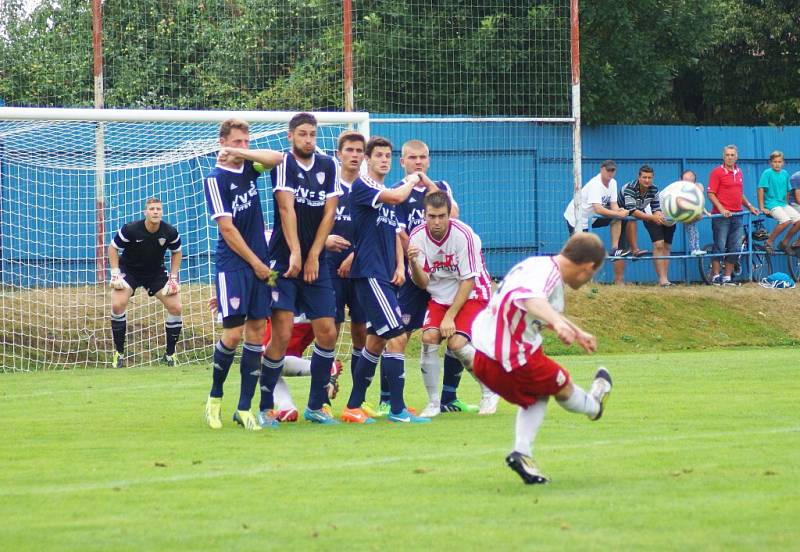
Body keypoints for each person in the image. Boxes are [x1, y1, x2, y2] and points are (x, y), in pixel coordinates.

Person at [449, 232, 613, 485]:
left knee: (538, 394)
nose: (590, 279)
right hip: (513, 357)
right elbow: (529, 299)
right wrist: (558, 323)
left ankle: (522, 454)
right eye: (593, 274)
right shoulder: (545, 273)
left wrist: (576, 332)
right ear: (588, 267)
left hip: (485, 358)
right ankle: (595, 406)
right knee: (563, 386)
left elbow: (534, 309)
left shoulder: (537, 267)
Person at [373, 139, 479, 416]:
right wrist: (406, 264)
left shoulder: (440, 187)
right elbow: (398, 233)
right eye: (412, 158)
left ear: (428, 161)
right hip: (414, 273)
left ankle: (448, 398)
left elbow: (454, 215)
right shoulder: (396, 192)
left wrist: (428, 183)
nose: (417, 162)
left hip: (444, 277)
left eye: (422, 158)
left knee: (451, 331)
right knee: (399, 334)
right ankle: (386, 399)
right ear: (402, 162)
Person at [340, 136, 438, 424]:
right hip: (369, 274)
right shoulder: (365, 186)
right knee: (397, 338)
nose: (383, 159)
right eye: (379, 155)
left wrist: (400, 265)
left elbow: (395, 233)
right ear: (369, 160)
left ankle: (353, 406)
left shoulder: (382, 190)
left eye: (387, 155)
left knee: (376, 342)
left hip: (384, 275)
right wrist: (413, 180)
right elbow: (398, 198)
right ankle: (396, 408)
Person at [258, 112, 342, 426]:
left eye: (312, 134)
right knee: (280, 334)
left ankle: (316, 406)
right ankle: (267, 407)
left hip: (314, 262)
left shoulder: (328, 165)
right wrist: (295, 252)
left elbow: (330, 212)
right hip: (283, 261)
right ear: (290, 136)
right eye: (303, 134)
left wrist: (313, 255)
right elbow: (285, 207)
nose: (308, 140)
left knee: (328, 332)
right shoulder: (283, 164)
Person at [202, 118, 283, 431]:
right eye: (237, 142)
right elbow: (227, 228)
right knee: (233, 334)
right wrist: (256, 263)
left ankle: (244, 408)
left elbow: (278, 158)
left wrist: (245, 155)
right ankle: (214, 399)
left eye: (247, 142)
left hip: (260, 263)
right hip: (234, 264)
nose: (244, 147)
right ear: (223, 142)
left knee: (256, 333)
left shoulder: (250, 168)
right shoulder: (215, 178)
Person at [407, 191, 499, 417]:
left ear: (449, 215)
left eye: (441, 216)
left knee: (457, 343)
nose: (436, 222)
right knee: (429, 338)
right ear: (424, 215)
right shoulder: (417, 237)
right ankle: (433, 403)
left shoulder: (464, 235)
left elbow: (468, 280)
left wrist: (450, 317)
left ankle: (490, 392)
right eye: (431, 216)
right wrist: (413, 263)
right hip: (440, 296)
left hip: (472, 293)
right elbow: (422, 283)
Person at [108, 198, 183, 368]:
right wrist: (115, 274)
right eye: (152, 209)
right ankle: (119, 353)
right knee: (118, 305)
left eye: (158, 209)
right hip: (130, 270)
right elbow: (113, 248)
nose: (155, 211)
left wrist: (173, 277)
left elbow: (177, 252)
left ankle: (170, 355)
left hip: (155, 272)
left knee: (176, 307)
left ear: (162, 212)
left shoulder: (169, 232)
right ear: (145, 212)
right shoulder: (131, 229)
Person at [328, 131, 369, 410]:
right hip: (329, 267)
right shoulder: (328, 189)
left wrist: (354, 255)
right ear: (339, 154)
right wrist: (325, 240)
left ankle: (357, 400)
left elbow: (374, 232)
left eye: (359, 151)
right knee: (329, 330)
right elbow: (313, 224)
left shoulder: (368, 190)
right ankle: (323, 397)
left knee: (360, 330)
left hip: (361, 266)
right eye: (349, 150)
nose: (354, 155)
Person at [708, 145, 760, 285]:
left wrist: (750, 206)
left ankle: (727, 277)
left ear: (736, 157)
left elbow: (739, 194)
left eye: (732, 155)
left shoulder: (739, 172)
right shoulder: (717, 172)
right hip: (721, 217)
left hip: (738, 215)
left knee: (735, 247)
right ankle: (716, 276)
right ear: (723, 156)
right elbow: (711, 193)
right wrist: (721, 209)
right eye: (727, 155)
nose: (730, 157)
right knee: (719, 245)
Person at [616, 165, 675, 287]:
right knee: (620, 249)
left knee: (662, 245)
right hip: (617, 215)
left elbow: (656, 208)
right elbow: (633, 211)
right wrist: (654, 218)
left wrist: (658, 216)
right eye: (644, 177)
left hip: (634, 215)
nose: (647, 180)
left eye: (649, 177)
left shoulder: (654, 189)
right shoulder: (630, 188)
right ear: (639, 177)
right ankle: (619, 280)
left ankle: (664, 281)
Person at [563, 159, 629, 258]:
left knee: (617, 219)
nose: (610, 173)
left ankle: (615, 249)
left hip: (591, 217)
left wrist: (619, 211)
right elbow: (598, 209)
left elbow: (614, 204)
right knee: (579, 252)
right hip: (576, 218)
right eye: (608, 170)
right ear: (602, 169)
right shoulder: (595, 184)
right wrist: (618, 214)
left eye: (613, 171)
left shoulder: (613, 183)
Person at [757, 151, 800, 256]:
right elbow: (760, 189)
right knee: (785, 221)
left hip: (783, 204)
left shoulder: (785, 174)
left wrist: (786, 205)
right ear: (771, 163)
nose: (777, 164)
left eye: (779, 161)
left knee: (799, 220)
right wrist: (762, 207)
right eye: (775, 162)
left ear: (783, 163)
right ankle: (768, 242)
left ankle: (784, 243)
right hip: (771, 204)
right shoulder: (767, 173)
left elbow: (786, 191)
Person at [680, 170, 710, 256]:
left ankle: (696, 248)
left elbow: (700, 205)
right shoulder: (681, 191)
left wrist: (707, 213)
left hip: (693, 215)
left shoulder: (695, 194)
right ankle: (693, 249)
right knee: (691, 232)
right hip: (686, 215)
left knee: (695, 232)